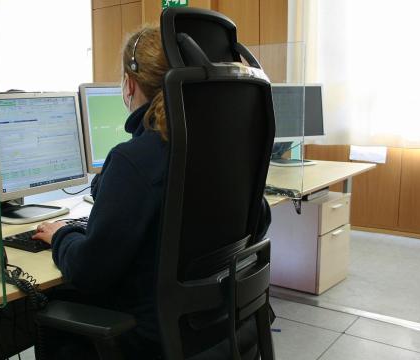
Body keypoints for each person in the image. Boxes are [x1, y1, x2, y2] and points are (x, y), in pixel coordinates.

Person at [32, 26, 271, 359]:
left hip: (153, 338)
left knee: (52, 306)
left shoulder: (136, 161)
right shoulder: (222, 146)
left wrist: (62, 235)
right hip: (221, 327)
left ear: (130, 84)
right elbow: (259, 221)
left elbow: (89, 271)